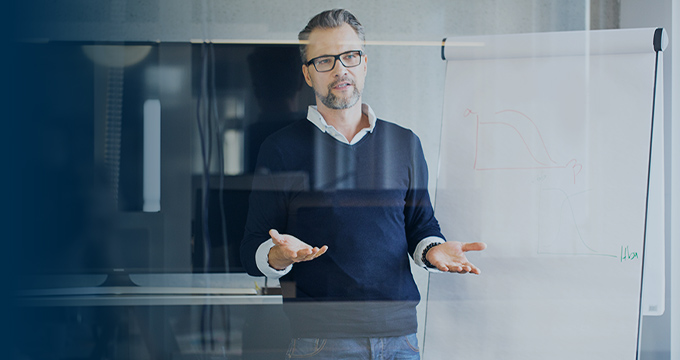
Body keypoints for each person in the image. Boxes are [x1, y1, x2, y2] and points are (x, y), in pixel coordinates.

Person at [241, 8, 486, 359]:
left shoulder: (404, 143)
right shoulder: (279, 148)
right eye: (325, 60)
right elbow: (250, 250)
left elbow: (421, 225)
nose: (341, 68)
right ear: (307, 75)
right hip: (322, 343)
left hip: (401, 340)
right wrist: (278, 256)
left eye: (350, 56)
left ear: (365, 63)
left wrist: (434, 250)